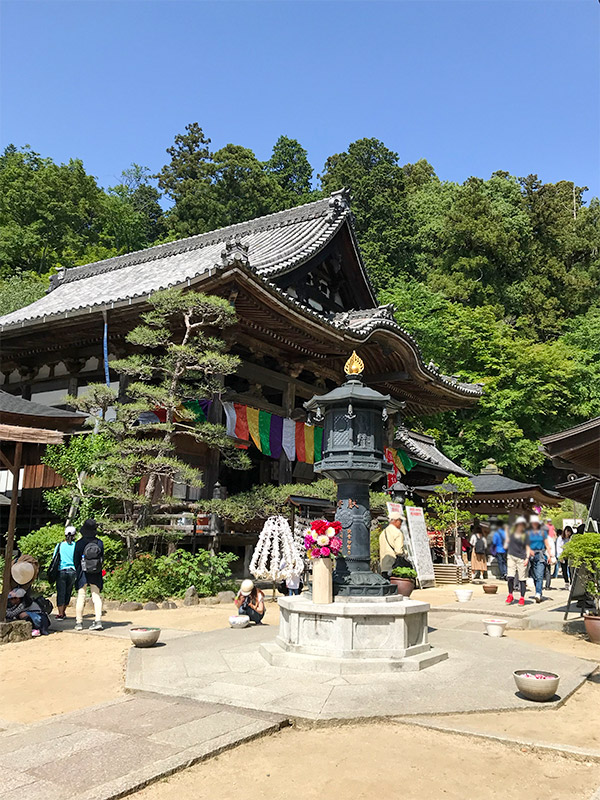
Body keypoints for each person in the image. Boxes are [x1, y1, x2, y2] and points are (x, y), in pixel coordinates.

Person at [73, 518, 104, 632]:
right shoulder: (99, 543)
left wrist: (79, 570)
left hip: (82, 572)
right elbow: (102, 559)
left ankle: (79, 623)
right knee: (96, 596)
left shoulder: (79, 543)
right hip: (96, 572)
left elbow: (75, 560)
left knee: (81, 597)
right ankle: (98, 621)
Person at [527, 515, 554, 602]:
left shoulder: (543, 533)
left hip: (541, 554)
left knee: (539, 575)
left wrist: (550, 555)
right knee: (534, 576)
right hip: (531, 555)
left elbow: (547, 545)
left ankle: (538, 593)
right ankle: (537, 590)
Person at [53, 525, 77, 619]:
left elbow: (54, 557)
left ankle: (60, 613)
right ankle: (64, 611)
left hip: (61, 570)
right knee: (68, 591)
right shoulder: (76, 546)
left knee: (60, 592)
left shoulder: (60, 545)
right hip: (73, 571)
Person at [506, 517, 530, 606]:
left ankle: (522, 597)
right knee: (510, 577)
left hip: (521, 557)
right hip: (511, 556)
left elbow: (528, 547)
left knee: (522, 578)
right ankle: (510, 594)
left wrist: (527, 558)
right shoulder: (512, 534)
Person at [379, 511, 405, 579]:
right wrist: (405, 553)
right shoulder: (398, 533)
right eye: (401, 521)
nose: (401, 524)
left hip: (384, 566)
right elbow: (399, 551)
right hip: (394, 566)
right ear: (396, 521)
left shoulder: (383, 533)